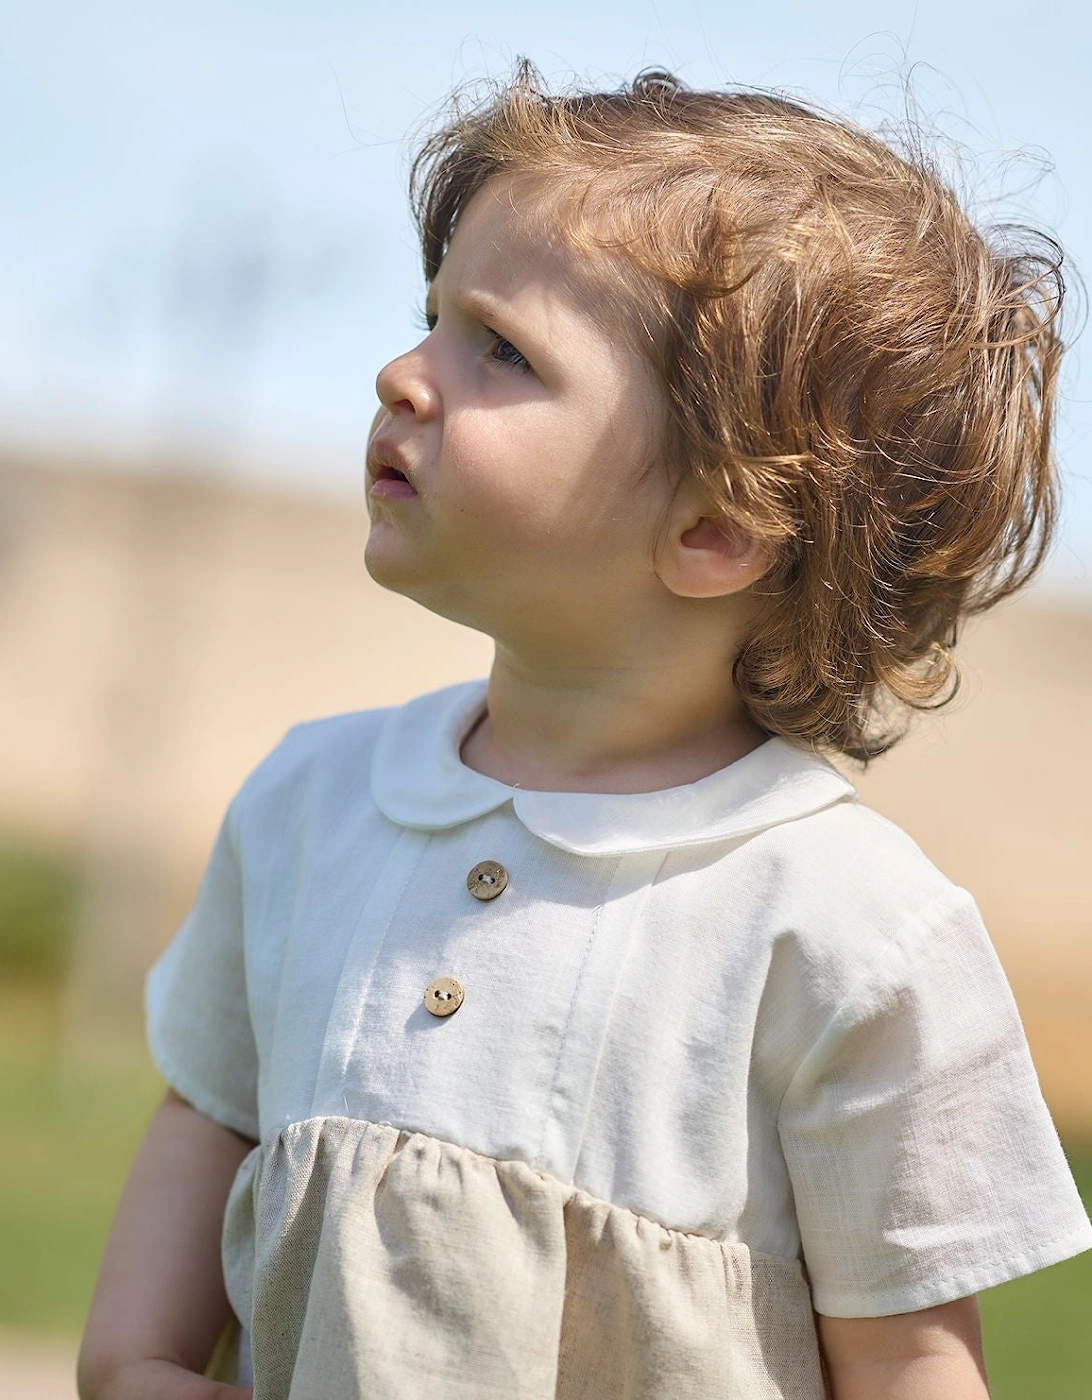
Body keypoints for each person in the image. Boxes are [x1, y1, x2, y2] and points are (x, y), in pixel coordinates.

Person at [78, 65, 1091, 1400]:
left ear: (714, 530)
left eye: (501, 350)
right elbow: (211, 1114)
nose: (401, 371)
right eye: (431, 317)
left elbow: (910, 1363)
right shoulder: (306, 806)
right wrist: (134, 1364)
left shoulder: (850, 930)